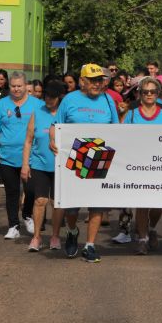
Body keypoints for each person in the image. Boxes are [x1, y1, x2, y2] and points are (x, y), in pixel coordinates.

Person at [49, 63, 119, 263]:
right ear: (82, 81)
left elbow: (117, 129)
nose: (97, 84)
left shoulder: (108, 100)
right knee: (72, 208)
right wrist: (52, 139)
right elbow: (56, 126)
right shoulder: (70, 99)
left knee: (96, 205)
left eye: (100, 80)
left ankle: (90, 245)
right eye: (93, 80)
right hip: (75, 157)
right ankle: (72, 231)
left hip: (99, 156)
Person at [0, 71, 43, 239]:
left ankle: (27, 215)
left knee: (31, 190)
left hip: (32, 156)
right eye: (13, 86)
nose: (16, 89)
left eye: (19, 86)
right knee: (11, 192)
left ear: (26, 86)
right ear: (9, 86)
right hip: (7, 156)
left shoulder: (37, 104)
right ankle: (13, 225)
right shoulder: (2, 104)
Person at [124, 77, 162, 254]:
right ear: (139, 93)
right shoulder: (132, 114)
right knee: (141, 204)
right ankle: (142, 238)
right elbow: (121, 136)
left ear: (158, 93)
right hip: (138, 165)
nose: (149, 95)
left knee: (156, 205)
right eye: (145, 92)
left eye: (152, 92)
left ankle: (152, 228)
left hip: (160, 166)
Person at [21, 81, 65, 252]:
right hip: (39, 164)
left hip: (60, 166)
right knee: (40, 200)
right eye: (46, 95)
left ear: (59, 97)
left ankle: (55, 236)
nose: (48, 99)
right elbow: (28, 140)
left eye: (52, 97)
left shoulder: (64, 113)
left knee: (57, 203)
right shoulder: (37, 113)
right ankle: (37, 237)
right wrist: (25, 164)